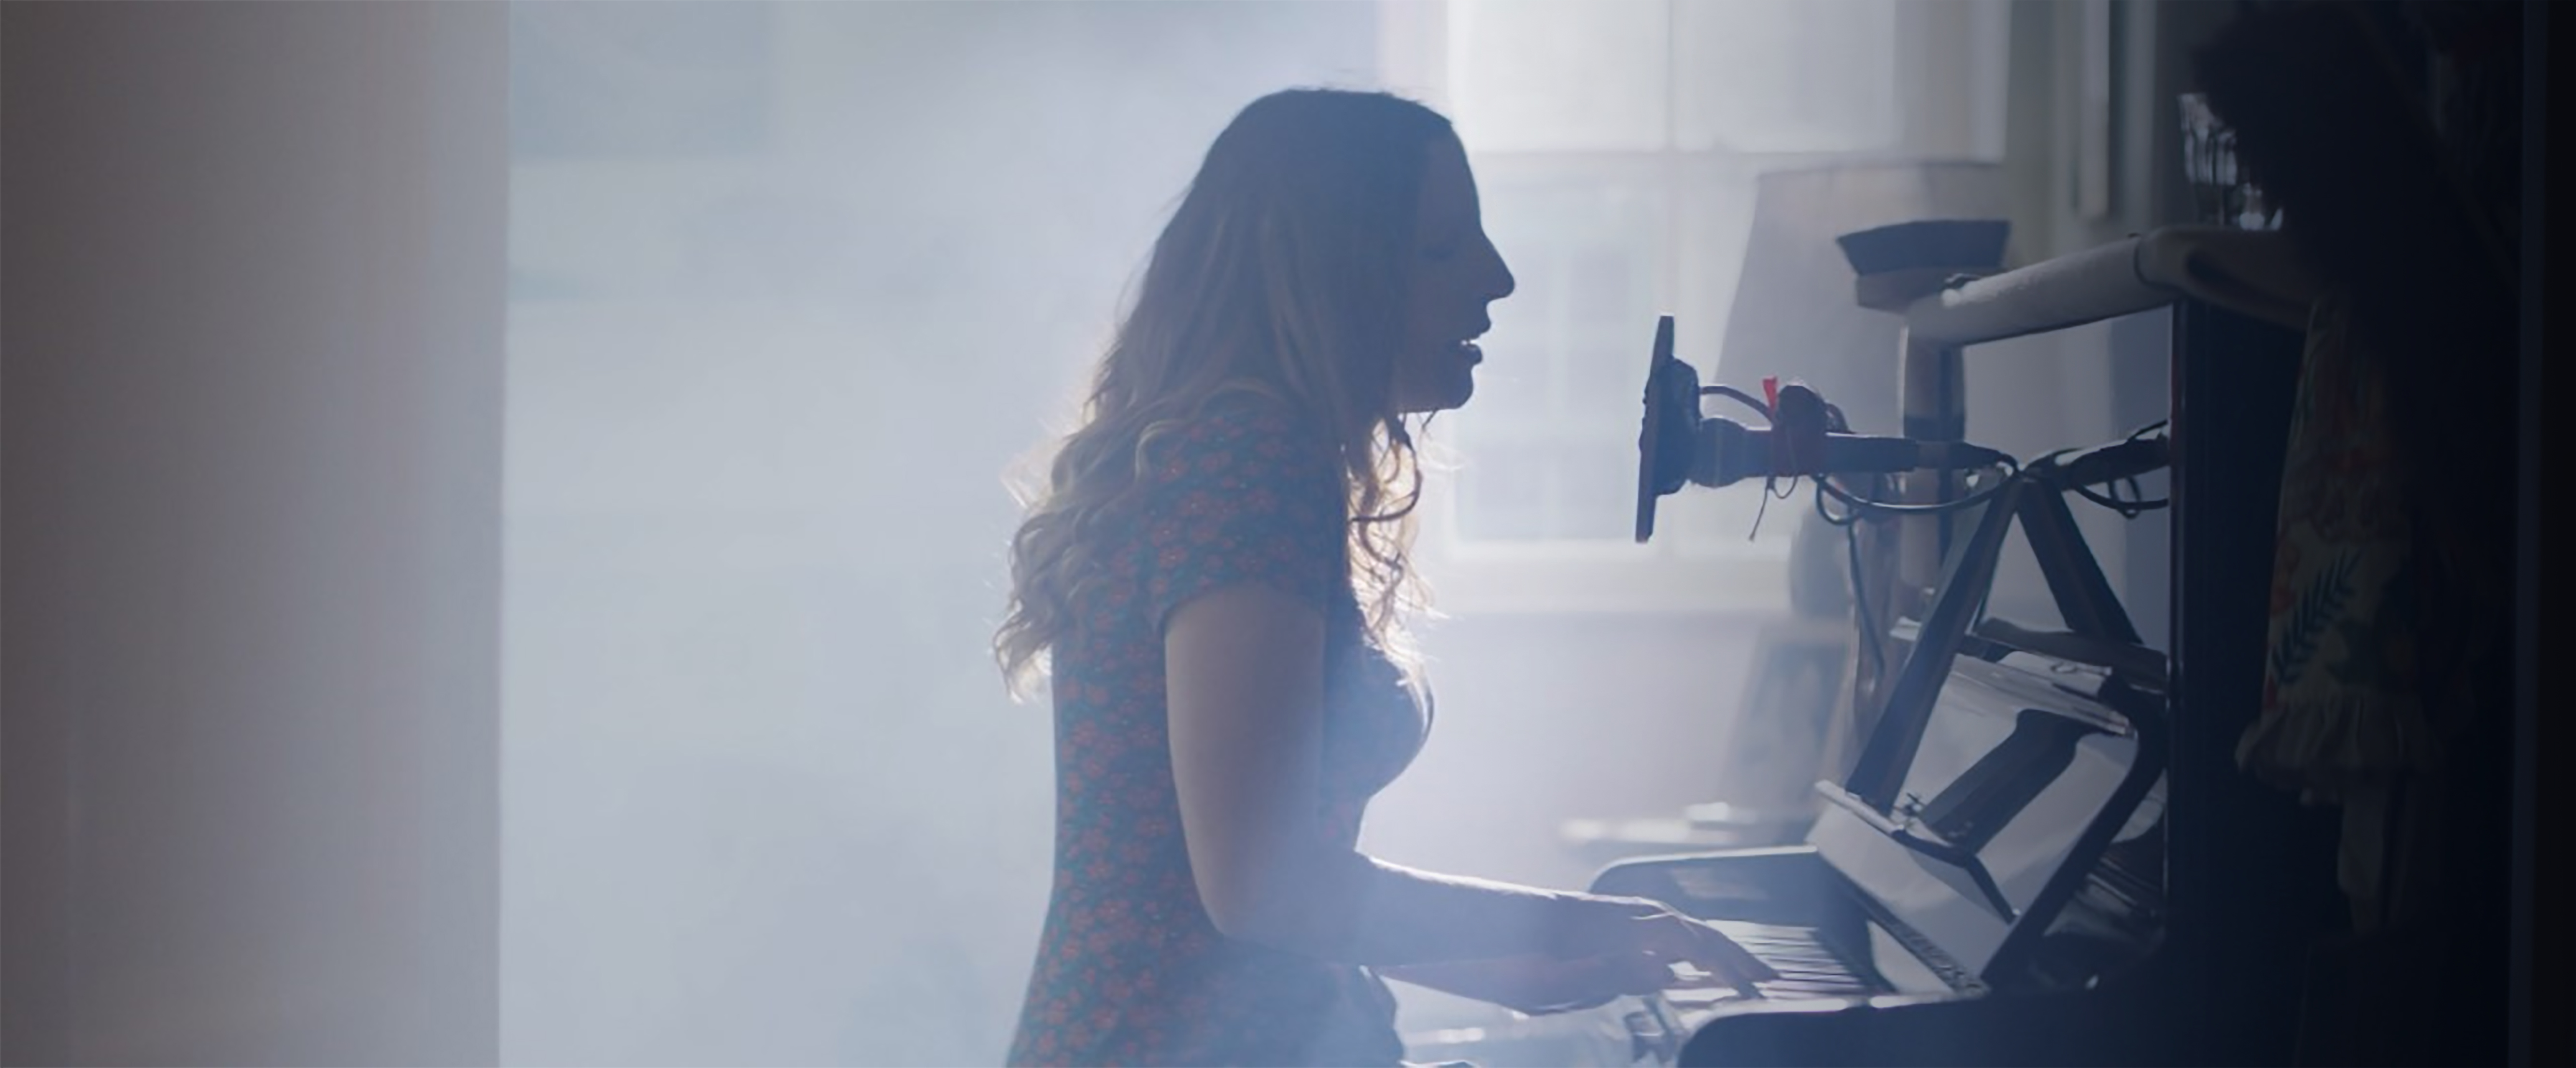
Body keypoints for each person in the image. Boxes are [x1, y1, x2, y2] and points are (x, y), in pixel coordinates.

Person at [993, 88, 1772, 1068]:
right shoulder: (1247, 463)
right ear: (1330, 277)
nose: (1499, 279)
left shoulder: (1247, 454)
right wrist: (1579, 927)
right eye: (1443, 250)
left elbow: (1269, 899)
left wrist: (1501, 966)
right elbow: (1260, 887)